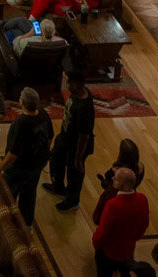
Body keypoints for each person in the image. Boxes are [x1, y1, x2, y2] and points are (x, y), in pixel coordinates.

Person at [0, 86, 53, 224]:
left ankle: (7, 222)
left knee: (8, 194)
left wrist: (0, 166)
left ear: (22, 103)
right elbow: (49, 138)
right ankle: (27, 223)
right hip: (38, 162)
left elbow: (13, 153)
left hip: (20, 167)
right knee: (29, 192)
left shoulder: (20, 124)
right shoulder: (43, 114)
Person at [45, 70, 96, 211]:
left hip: (76, 145)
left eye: (70, 83)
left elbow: (84, 135)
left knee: (74, 172)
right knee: (55, 159)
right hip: (65, 137)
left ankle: (72, 200)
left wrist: (78, 157)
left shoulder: (84, 108)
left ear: (79, 84)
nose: (67, 85)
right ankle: (58, 187)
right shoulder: (76, 95)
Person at [91, 167, 149, 276]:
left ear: (125, 186)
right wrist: (131, 239)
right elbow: (144, 226)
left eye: (116, 179)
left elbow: (103, 232)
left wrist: (96, 243)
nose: (112, 178)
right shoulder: (142, 199)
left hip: (108, 253)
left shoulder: (113, 205)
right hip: (128, 250)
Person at [92, 139, 148, 222]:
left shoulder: (119, 170)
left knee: (102, 216)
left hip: (112, 194)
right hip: (128, 195)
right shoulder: (140, 167)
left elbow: (107, 178)